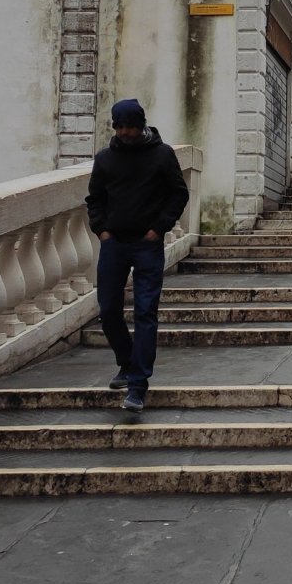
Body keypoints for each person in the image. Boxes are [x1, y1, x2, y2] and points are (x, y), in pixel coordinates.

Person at [85, 98, 189, 416]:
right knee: (108, 310)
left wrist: (159, 228)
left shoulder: (162, 155)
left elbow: (179, 192)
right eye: (120, 127)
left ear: (141, 124)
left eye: (130, 126)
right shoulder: (105, 159)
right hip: (114, 243)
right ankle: (127, 362)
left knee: (145, 312)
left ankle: (138, 385)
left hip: (147, 244)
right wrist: (101, 230)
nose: (126, 132)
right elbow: (94, 198)